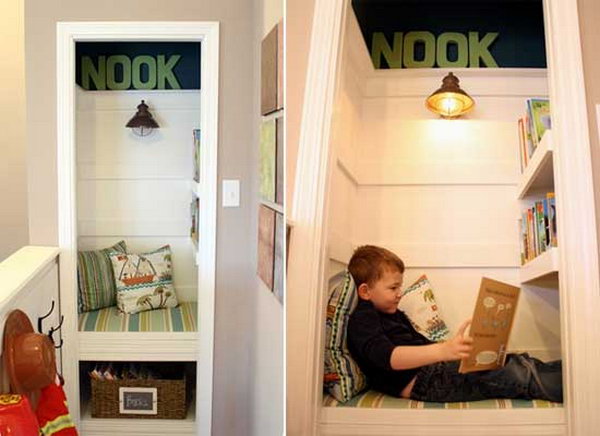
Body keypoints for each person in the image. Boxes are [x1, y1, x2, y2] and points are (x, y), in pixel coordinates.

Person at [346, 245, 563, 403]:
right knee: (514, 374)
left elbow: (420, 344)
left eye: (400, 287)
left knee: (509, 360)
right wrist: (443, 351)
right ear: (365, 291)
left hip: (432, 372)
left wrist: (453, 349)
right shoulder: (363, 319)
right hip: (422, 383)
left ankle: (575, 372)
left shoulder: (393, 313)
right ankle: (578, 389)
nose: (399, 294)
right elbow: (390, 358)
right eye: (393, 288)